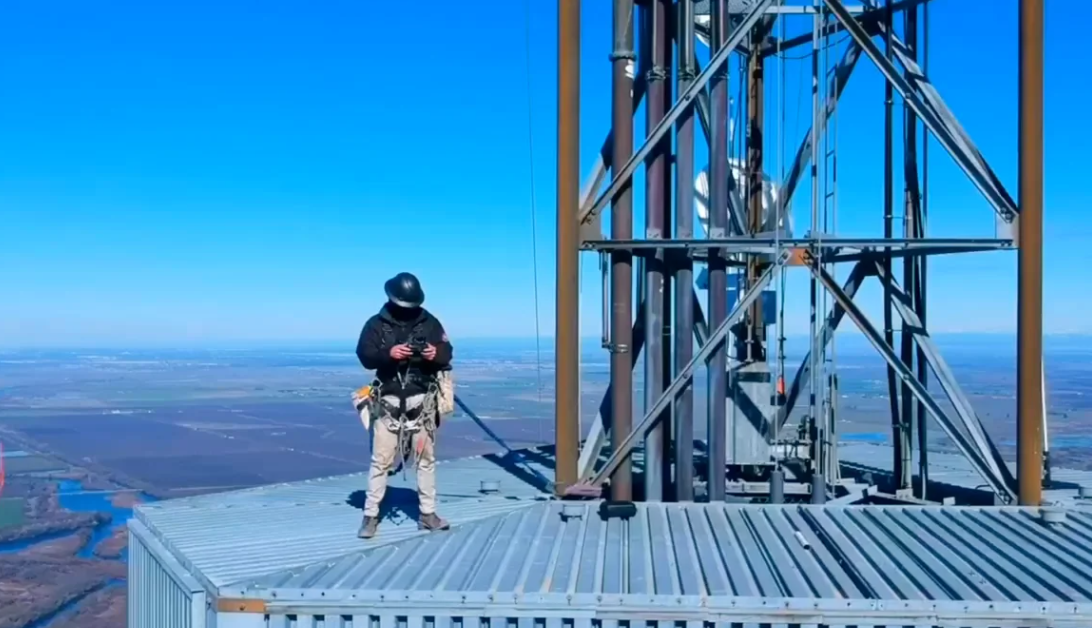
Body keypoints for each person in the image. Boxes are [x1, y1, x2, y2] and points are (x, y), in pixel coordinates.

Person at [354, 271, 453, 539]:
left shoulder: (429, 322)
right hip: (388, 400)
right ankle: (371, 514)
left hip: (422, 400)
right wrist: (390, 354)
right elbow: (365, 355)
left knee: (426, 460)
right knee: (381, 460)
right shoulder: (376, 324)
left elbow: (447, 352)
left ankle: (428, 514)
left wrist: (436, 353)